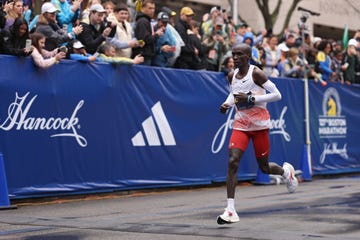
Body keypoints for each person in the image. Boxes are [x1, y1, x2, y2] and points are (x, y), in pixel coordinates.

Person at [217, 43, 298, 225]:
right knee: (232, 160)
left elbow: (277, 95)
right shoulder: (232, 75)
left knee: (264, 168)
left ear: (248, 56)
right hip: (241, 125)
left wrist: (252, 99)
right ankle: (230, 210)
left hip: (259, 126)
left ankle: (286, 172)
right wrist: (227, 103)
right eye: (233, 54)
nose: (235, 58)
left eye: (239, 55)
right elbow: (234, 94)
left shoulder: (257, 74)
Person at [131, 0, 163, 65]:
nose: (152, 10)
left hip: (146, 56)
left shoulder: (147, 21)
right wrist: (157, 34)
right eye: (150, 8)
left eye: (153, 8)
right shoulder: (143, 21)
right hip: (142, 56)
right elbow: (144, 39)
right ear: (142, 8)